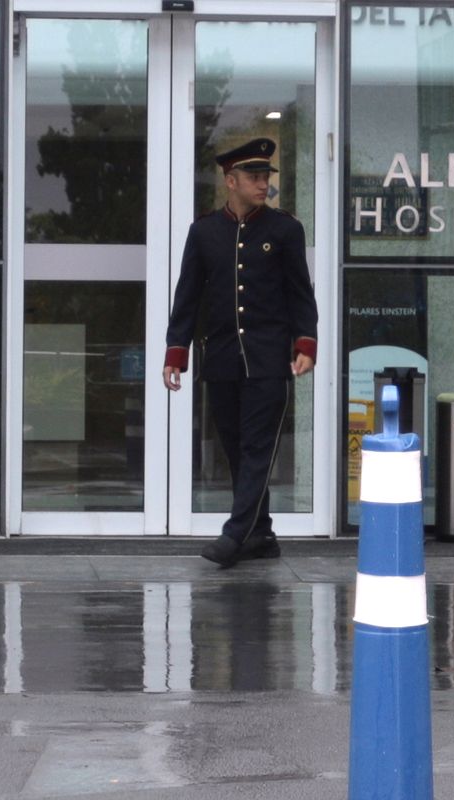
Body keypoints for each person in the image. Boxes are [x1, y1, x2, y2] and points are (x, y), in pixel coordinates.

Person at [163, 138, 318, 567]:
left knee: (257, 448)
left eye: (266, 176)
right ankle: (261, 534)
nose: (262, 183)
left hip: (269, 359)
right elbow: (187, 296)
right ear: (230, 181)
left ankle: (235, 534)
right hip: (223, 358)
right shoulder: (205, 231)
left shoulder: (285, 229)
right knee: (235, 448)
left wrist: (305, 342)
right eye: (253, 177)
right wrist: (176, 351)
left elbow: (300, 293)